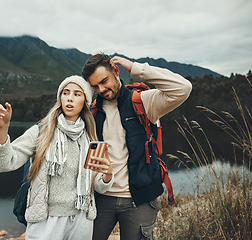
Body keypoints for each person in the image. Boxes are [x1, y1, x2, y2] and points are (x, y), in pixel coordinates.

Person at [0, 75, 114, 240]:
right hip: (46, 221)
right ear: (60, 98)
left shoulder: (89, 138)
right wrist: (3, 129)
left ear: (85, 102)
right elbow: (4, 164)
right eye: (65, 93)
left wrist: (107, 174)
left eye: (77, 94)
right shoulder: (41, 131)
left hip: (81, 219)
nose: (70, 98)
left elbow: (98, 186)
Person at [82, 54, 192, 240]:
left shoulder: (143, 102)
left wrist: (135, 67)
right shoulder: (93, 111)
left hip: (139, 200)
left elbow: (183, 88)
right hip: (101, 198)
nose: (101, 89)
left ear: (116, 71)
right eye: (95, 86)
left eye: (104, 81)